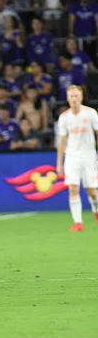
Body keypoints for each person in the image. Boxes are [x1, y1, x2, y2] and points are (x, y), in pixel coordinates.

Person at [56, 85, 98, 232]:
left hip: (89, 156)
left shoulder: (91, 113)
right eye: (71, 96)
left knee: (92, 191)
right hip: (72, 157)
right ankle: (78, 223)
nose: (74, 99)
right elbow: (62, 141)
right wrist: (59, 163)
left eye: (76, 96)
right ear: (67, 98)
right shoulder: (64, 117)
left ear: (81, 97)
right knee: (73, 188)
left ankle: (96, 211)